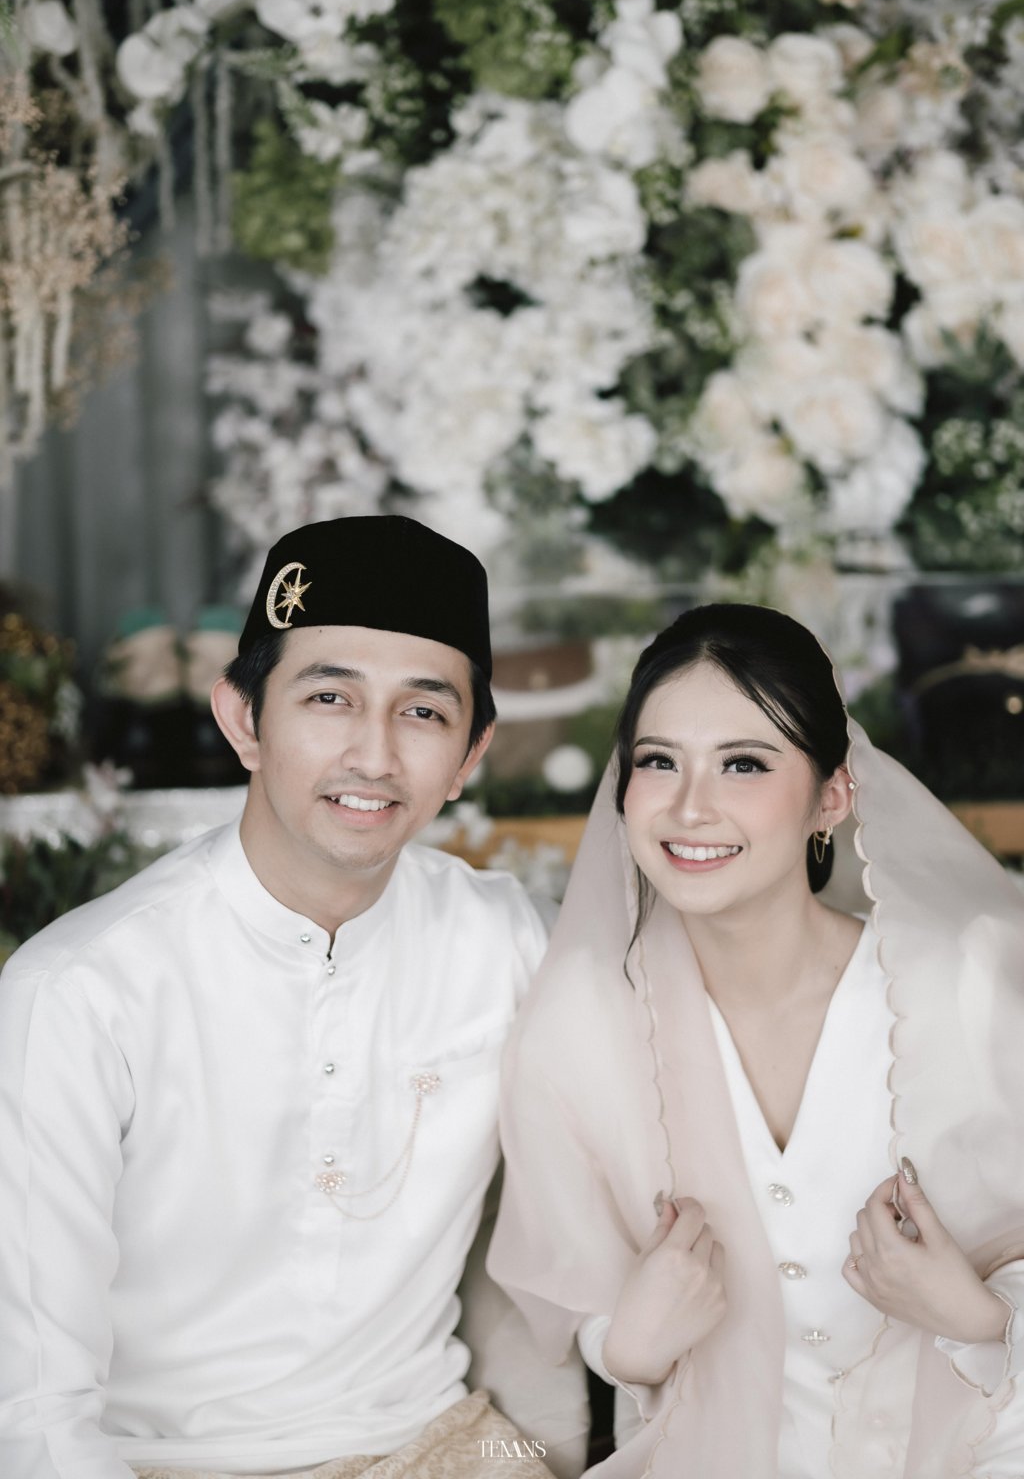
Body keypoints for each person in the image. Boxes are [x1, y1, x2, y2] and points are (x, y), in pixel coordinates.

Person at [0, 515, 577, 1479]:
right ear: (242, 720)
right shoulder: (79, 994)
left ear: (471, 755)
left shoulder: (509, 941)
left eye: (423, 712)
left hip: (435, 1446)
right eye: (329, 698)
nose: (374, 755)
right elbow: (34, 1409)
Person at [489, 602, 1024, 1477]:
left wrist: (977, 1316)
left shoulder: (961, 984)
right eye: (658, 761)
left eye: (743, 763)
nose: (690, 807)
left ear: (832, 797)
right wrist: (626, 1346)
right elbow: (563, 1278)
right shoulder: (578, 1025)